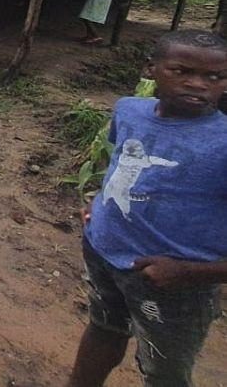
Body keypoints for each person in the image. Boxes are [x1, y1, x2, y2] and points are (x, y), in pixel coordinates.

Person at [68, 29, 227, 387]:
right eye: (182, 71)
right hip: (104, 255)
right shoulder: (129, 110)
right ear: (150, 69)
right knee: (104, 329)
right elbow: (122, 161)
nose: (197, 84)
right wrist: (100, 200)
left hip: (172, 283)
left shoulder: (223, 144)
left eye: (214, 77)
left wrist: (188, 272)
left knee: (165, 371)